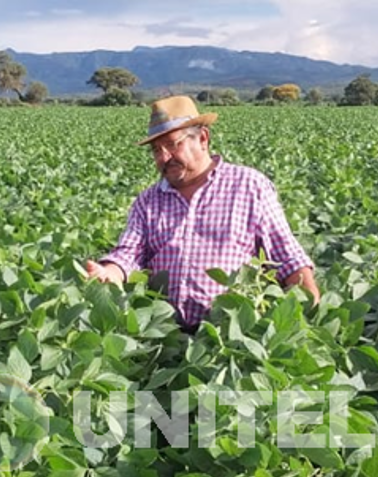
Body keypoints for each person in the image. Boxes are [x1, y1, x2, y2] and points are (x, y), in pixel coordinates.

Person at [83, 95, 319, 330]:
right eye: (156, 150)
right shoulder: (148, 201)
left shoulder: (249, 186)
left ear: (203, 138)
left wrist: (306, 312)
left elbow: (288, 259)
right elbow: (128, 254)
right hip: (164, 336)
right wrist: (109, 273)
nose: (164, 157)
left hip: (235, 336)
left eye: (174, 144)